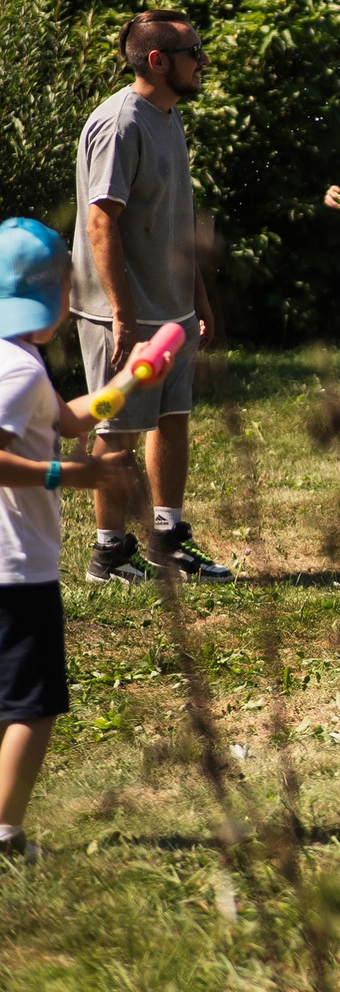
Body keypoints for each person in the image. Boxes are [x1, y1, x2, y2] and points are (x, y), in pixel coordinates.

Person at [70, 11, 230, 584]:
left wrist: (197, 294)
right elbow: (100, 222)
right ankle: (109, 553)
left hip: (172, 307)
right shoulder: (119, 124)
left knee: (172, 419)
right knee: (119, 428)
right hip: (123, 311)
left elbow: (174, 217)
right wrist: (122, 313)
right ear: (158, 61)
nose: (203, 60)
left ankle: (168, 540)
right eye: (194, 51)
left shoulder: (168, 113)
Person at [0, 219, 135, 860]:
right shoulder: (18, 372)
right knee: (34, 705)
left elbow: (71, 419)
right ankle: (5, 836)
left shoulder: (18, 363)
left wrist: (131, 384)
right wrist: (71, 474)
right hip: (16, 571)